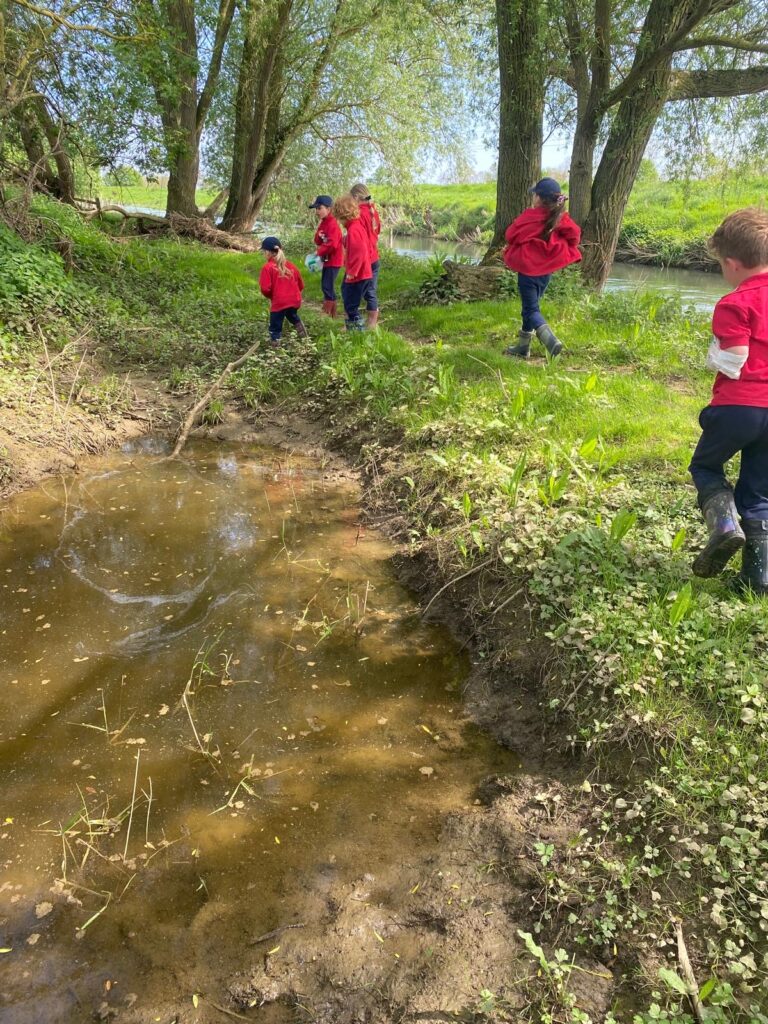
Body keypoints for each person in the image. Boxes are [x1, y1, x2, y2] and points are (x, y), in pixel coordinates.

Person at [689, 208, 768, 594]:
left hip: (739, 406)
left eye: (722, 264)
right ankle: (757, 579)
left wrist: (714, 355)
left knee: (705, 466)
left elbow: (733, 361)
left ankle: (724, 527)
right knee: (758, 491)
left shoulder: (735, 302)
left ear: (733, 264)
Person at [501, 177, 581, 358]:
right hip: (546, 272)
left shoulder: (530, 216)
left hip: (528, 271)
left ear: (538, 198)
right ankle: (523, 347)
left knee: (531, 310)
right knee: (530, 307)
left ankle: (551, 341)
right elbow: (575, 235)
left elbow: (510, 235)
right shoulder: (560, 217)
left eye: (535, 194)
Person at [333, 194, 373, 332]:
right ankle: (351, 326)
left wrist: (352, 272)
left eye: (339, 218)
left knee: (351, 305)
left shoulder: (354, 230)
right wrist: (345, 240)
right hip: (362, 274)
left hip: (358, 275)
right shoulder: (355, 227)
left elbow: (360, 252)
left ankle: (357, 331)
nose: (339, 222)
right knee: (345, 292)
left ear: (343, 215)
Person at [258, 236, 307, 347]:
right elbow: (301, 284)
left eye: (264, 252)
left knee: (275, 326)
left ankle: (275, 351)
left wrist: (272, 296)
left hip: (279, 302)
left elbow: (265, 289)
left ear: (267, 252)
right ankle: (304, 338)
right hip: (295, 300)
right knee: (291, 314)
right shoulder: (291, 266)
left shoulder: (267, 267)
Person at [350, 182, 381, 329]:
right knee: (370, 290)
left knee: (353, 290)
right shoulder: (372, 211)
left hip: (365, 258)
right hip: (374, 256)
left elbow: (358, 238)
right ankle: (371, 322)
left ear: (356, 197)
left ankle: (359, 322)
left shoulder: (359, 214)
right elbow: (377, 232)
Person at [309, 194, 343, 317]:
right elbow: (317, 241)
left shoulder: (333, 224)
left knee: (327, 286)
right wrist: (319, 234)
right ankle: (331, 314)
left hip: (334, 261)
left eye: (319, 208)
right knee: (326, 286)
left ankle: (328, 313)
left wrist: (318, 252)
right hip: (327, 260)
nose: (317, 211)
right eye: (316, 209)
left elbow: (332, 244)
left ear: (328, 209)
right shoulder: (324, 222)